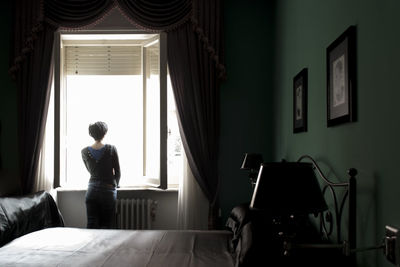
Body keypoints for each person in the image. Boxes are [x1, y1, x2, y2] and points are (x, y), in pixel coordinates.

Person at [81, 121, 120, 229]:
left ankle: (90, 246)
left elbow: (90, 170)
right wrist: (116, 185)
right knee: (107, 226)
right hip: (108, 190)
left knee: (91, 225)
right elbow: (118, 172)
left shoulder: (84, 152)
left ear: (91, 134)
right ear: (104, 133)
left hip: (91, 190)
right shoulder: (111, 149)